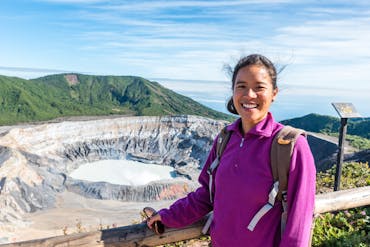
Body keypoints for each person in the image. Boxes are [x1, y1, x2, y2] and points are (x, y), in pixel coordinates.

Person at [147, 54, 316, 246]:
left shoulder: (290, 147)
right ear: (233, 91)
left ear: (274, 93)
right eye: (241, 86)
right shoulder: (225, 139)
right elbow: (206, 196)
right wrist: (168, 216)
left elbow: (299, 222)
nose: (249, 95)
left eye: (259, 87)